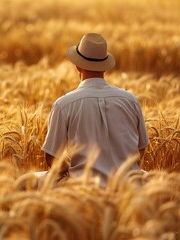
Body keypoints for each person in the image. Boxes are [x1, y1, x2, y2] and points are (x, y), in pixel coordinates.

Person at [19, 33, 149, 189]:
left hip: (82, 186)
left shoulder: (64, 104)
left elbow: (52, 158)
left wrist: (69, 169)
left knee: (24, 182)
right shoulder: (130, 100)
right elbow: (141, 148)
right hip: (129, 186)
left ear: (77, 65)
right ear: (105, 67)